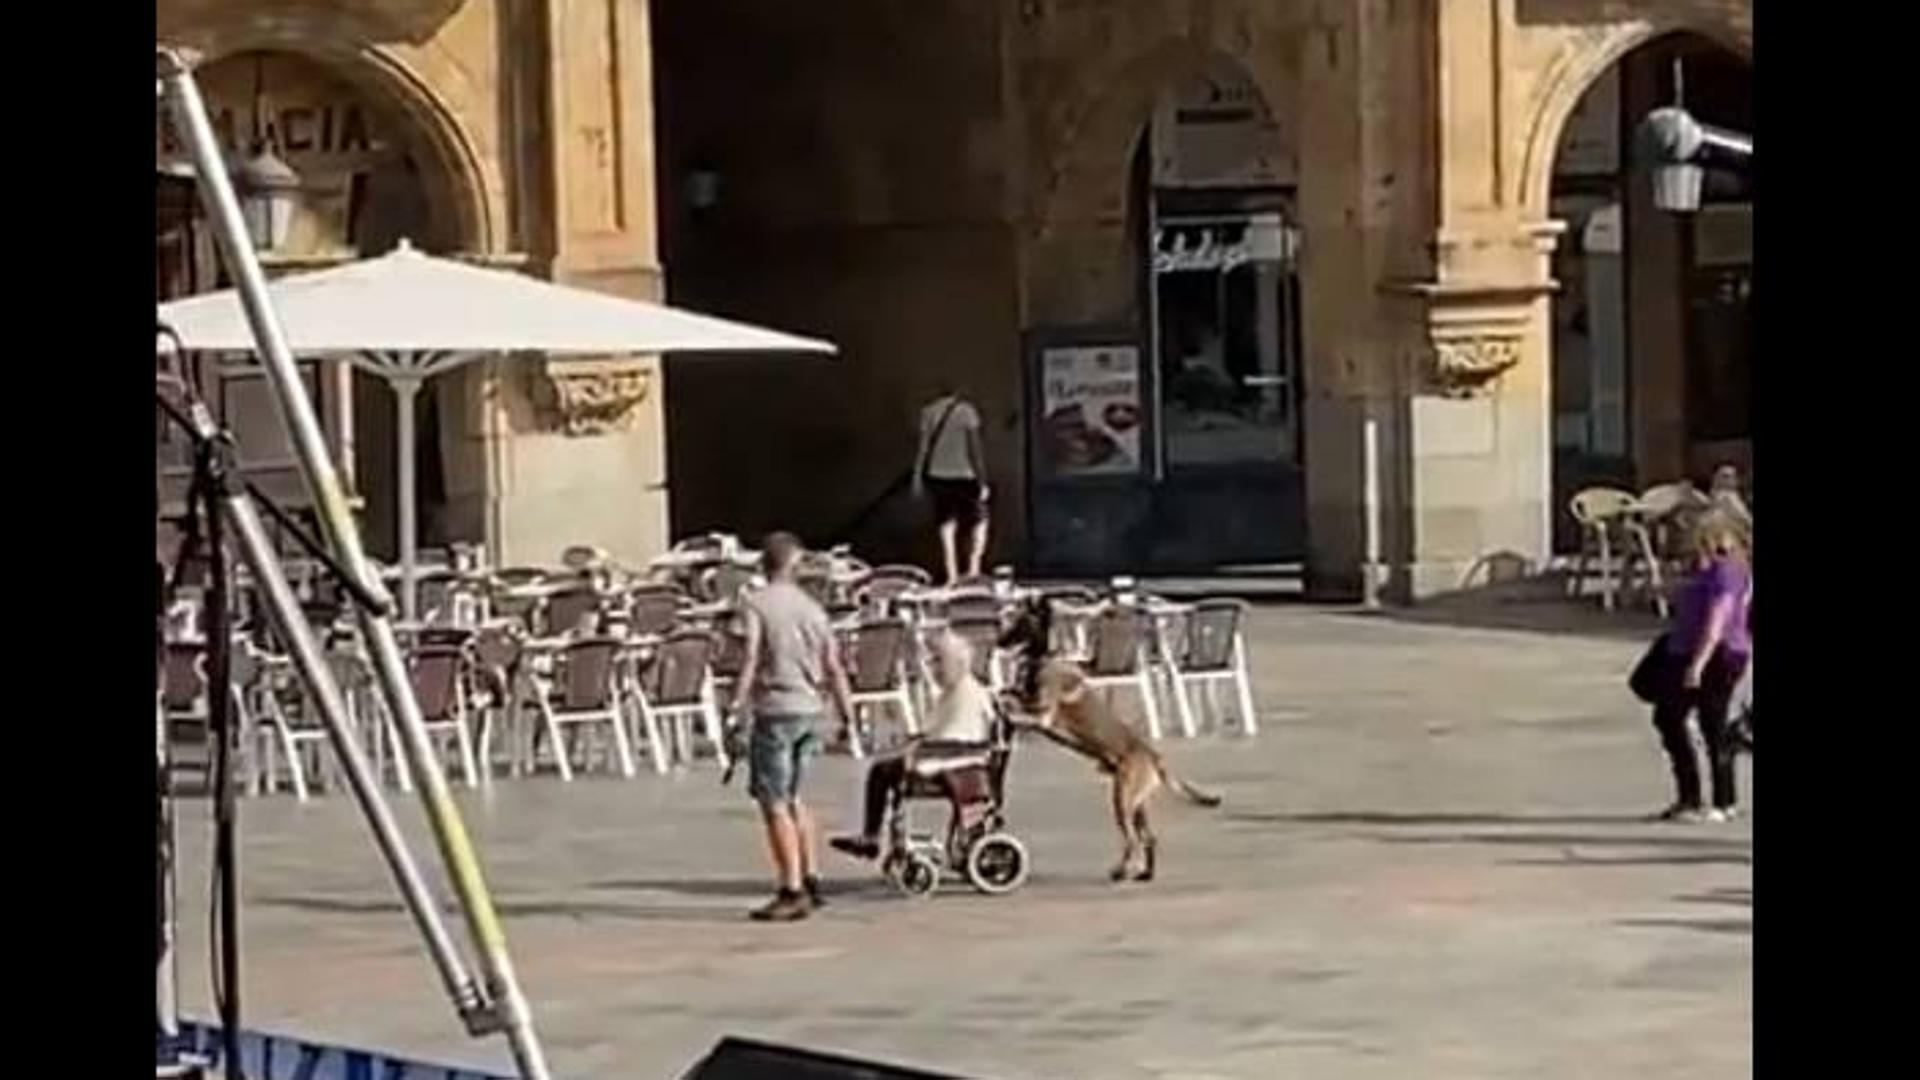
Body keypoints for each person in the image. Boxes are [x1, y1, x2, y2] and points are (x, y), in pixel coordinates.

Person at [729, 532, 857, 921]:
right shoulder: (813, 609)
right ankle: (812, 875)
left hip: (776, 708)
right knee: (796, 795)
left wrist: (735, 706)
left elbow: (751, 656)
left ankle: (791, 887)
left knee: (775, 803)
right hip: (810, 709)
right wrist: (847, 714)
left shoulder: (755, 603)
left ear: (763, 564)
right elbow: (834, 665)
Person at [829, 631, 996, 860]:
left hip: (954, 764)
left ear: (956, 663)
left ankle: (871, 837)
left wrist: (916, 751)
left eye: (939, 661)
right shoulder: (955, 690)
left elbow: (957, 738)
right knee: (882, 767)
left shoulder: (966, 694)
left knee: (882, 770)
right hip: (945, 756)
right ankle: (871, 836)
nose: (933, 669)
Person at [1646, 513, 1753, 822]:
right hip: (1689, 650)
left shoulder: (1727, 572)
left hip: (1716, 654)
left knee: (1709, 722)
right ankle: (1695, 798)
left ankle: (1718, 801)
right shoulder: (1709, 571)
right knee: (1671, 717)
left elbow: (1717, 620)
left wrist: (1698, 663)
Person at [913, 384, 990, 584]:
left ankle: (951, 573)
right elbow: (974, 448)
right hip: (965, 475)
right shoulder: (967, 411)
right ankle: (973, 568)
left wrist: (917, 478)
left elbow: (923, 448)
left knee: (946, 526)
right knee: (978, 523)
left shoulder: (928, 412)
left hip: (937, 475)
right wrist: (982, 479)